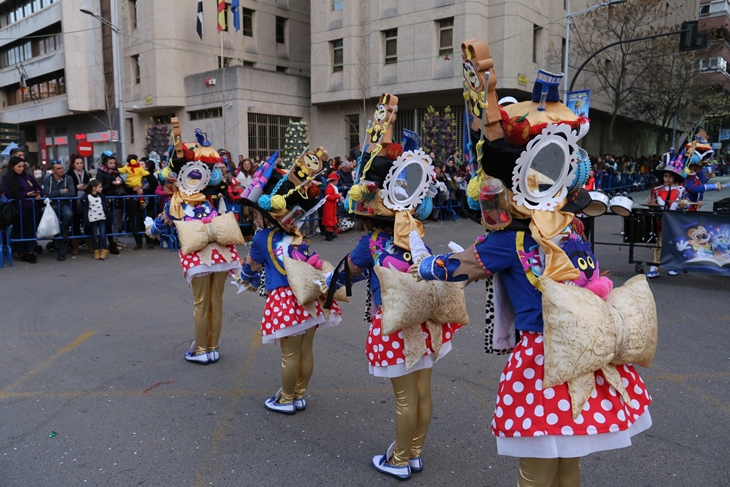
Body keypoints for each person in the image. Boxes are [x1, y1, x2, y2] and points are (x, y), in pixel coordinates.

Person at [416, 51, 653, 486]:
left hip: (541, 359)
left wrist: (424, 261)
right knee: (569, 462)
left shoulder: (508, 240)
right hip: (583, 352)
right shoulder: (571, 225)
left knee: (536, 466)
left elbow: (457, 269)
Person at [325, 108, 462, 480]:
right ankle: (414, 452)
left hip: (395, 323)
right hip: (427, 320)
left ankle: (399, 459)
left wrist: (330, 283)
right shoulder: (415, 235)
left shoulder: (371, 242)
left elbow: (349, 271)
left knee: (405, 397)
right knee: (422, 390)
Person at [235, 149, 342, 414]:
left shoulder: (262, 239)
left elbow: (252, 266)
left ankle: (286, 399)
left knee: (289, 354)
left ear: (268, 213)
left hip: (284, 301)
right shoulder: (297, 235)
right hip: (308, 297)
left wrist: (244, 277)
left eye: (256, 214)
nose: (254, 218)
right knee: (306, 350)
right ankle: (299, 394)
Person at [146, 130, 243, 365]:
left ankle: (202, 349)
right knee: (216, 301)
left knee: (201, 303)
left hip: (198, 257)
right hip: (221, 254)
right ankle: (213, 347)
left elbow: (157, 229)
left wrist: (150, 230)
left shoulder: (175, 203)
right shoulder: (206, 202)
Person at [646, 155, 688, 278]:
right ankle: (654, 267)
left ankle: (672, 265)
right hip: (660, 220)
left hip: (675, 221)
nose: (667, 178)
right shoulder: (656, 190)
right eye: (665, 176)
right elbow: (653, 206)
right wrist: (651, 203)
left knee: (673, 243)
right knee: (658, 244)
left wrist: (682, 206)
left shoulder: (681, 190)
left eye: (670, 176)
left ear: (674, 177)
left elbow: (686, 205)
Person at [2, 156, 42, 263]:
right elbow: (11, 194)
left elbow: (38, 186)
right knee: (20, 230)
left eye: (22, 166)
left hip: (33, 206)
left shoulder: (28, 176)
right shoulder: (7, 179)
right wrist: (26, 194)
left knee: (31, 230)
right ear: (12, 167)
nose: (21, 169)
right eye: (19, 166)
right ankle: (21, 252)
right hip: (18, 208)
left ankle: (31, 252)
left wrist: (38, 193)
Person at [42, 161, 76, 261]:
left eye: (62, 168)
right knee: (55, 226)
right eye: (58, 169)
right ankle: (61, 252)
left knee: (69, 214)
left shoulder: (68, 178)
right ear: (53, 170)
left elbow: (72, 193)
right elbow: (48, 193)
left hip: (64, 204)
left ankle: (64, 229)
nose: (61, 170)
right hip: (52, 205)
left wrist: (56, 194)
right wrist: (62, 191)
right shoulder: (47, 179)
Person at [96, 152, 124, 254]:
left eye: (114, 163)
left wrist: (120, 181)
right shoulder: (101, 172)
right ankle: (107, 243)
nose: (112, 165)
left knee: (115, 222)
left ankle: (114, 242)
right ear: (106, 163)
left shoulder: (116, 171)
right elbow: (100, 187)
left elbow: (123, 184)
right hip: (105, 198)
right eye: (110, 163)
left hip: (116, 198)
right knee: (107, 222)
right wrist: (111, 184)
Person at [79, 179, 112, 260]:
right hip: (92, 218)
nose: (101, 188)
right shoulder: (86, 197)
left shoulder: (102, 196)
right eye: (100, 187)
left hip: (102, 218)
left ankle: (104, 249)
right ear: (94, 188)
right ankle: (96, 250)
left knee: (102, 234)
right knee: (94, 235)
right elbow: (82, 207)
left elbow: (106, 206)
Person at [67, 154, 92, 256]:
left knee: (87, 223)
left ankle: (90, 244)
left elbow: (91, 185)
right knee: (75, 224)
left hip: (86, 201)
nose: (79, 165)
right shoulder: (69, 174)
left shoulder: (87, 173)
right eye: (77, 163)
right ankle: (75, 246)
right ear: (73, 164)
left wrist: (87, 186)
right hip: (74, 202)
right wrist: (76, 187)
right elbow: (68, 187)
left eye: (81, 163)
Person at [322, 172, 341, 241]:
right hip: (330, 206)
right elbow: (329, 197)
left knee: (333, 219)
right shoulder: (329, 188)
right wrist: (337, 196)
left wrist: (338, 197)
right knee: (330, 220)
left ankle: (331, 234)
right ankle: (328, 236)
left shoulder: (332, 187)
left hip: (333, 205)